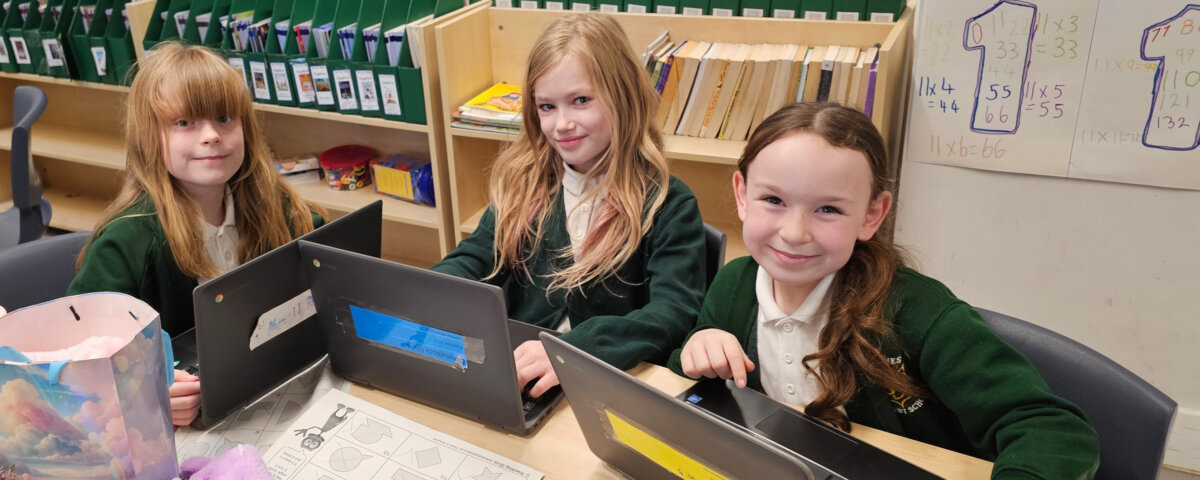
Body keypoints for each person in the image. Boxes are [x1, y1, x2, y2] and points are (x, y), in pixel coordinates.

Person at [668, 102, 1099, 477]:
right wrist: (698, 347)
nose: (794, 233)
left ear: (872, 215)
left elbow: (1053, 429)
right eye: (774, 200)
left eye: (828, 209)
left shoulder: (917, 312)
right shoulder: (734, 283)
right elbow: (693, 379)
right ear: (742, 195)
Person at [433, 14, 706, 398]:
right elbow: (475, 259)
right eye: (546, 106)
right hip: (523, 373)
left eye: (580, 101)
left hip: (610, 380)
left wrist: (570, 351)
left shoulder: (668, 202)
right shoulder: (525, 184)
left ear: (623, 97)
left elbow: (672, 315)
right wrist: (426, 292)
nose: (562, 124)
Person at [69, 42, 325, 425]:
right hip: (181, 430)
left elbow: (333, 270)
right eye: (184, 123)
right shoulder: (126, 243)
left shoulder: (278, 207)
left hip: (269, 388)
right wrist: (146, 394)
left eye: (225, 118)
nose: (211, 136)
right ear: (149, 137)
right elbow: (75, 365)